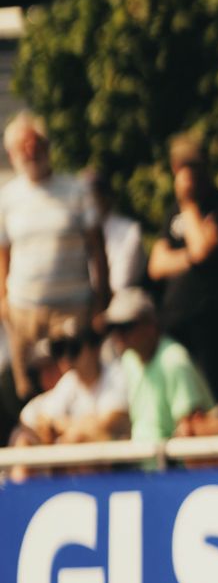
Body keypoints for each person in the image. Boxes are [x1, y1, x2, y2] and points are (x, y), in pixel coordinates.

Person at [0, 112, 108, 398]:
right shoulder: (7, 197)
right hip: (24, 311)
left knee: (80, 389)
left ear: (47, 146)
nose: (31, 152)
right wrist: (3, 300)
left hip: (72, 309)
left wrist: (101, 300)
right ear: (12, 153)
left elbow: (97, 248)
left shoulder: (76, 189)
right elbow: (3, 251)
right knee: (29, 392)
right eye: (23, 146)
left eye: (35, 144)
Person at [147, 134, 218, 398]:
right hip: (174, 323)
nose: (187, 175)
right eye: (181, 168)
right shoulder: (171, 212)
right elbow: (156, 265)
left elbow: (202, 250)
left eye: (192, 167)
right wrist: (190, 256)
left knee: (212, 395)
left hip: (211, 325)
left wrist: (189, 204)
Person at [104, 286, 213, 442]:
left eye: (126, 326)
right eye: (113, 327)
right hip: (142, 461)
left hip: (172, 464)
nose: (118, 335)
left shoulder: (174, 361)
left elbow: (192, 428)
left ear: (150, 325)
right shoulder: (129, 360)